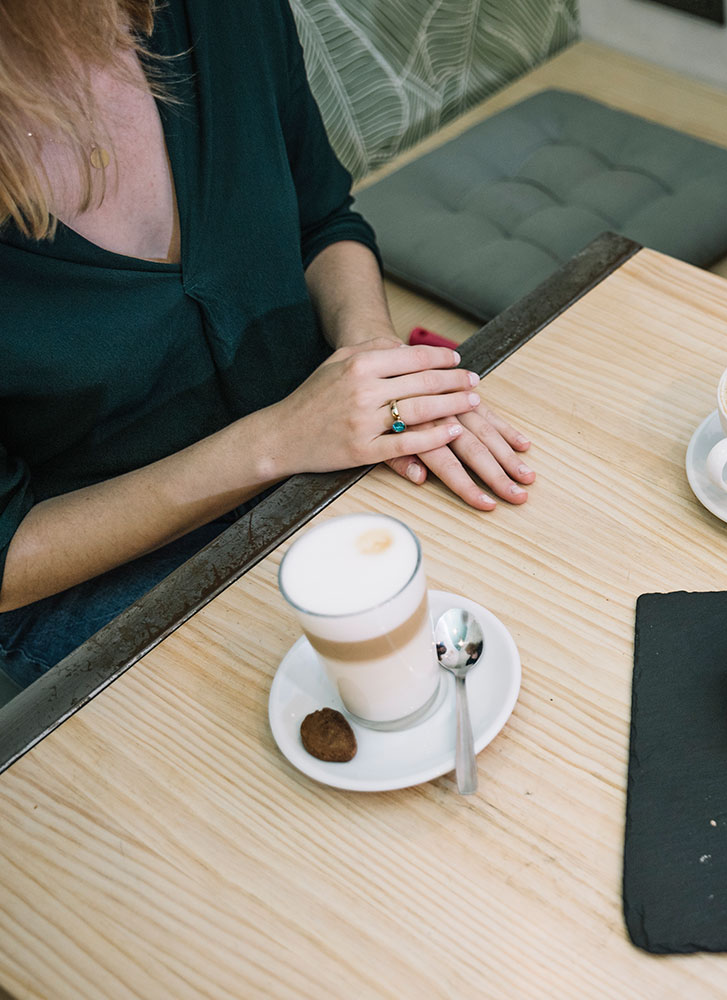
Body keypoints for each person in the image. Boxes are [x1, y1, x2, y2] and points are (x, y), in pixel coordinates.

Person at [0, 0, 535, 687]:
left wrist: (373, 360)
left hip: (319, 470)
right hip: (104, 582)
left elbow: (323, 219)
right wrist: (278, 440)